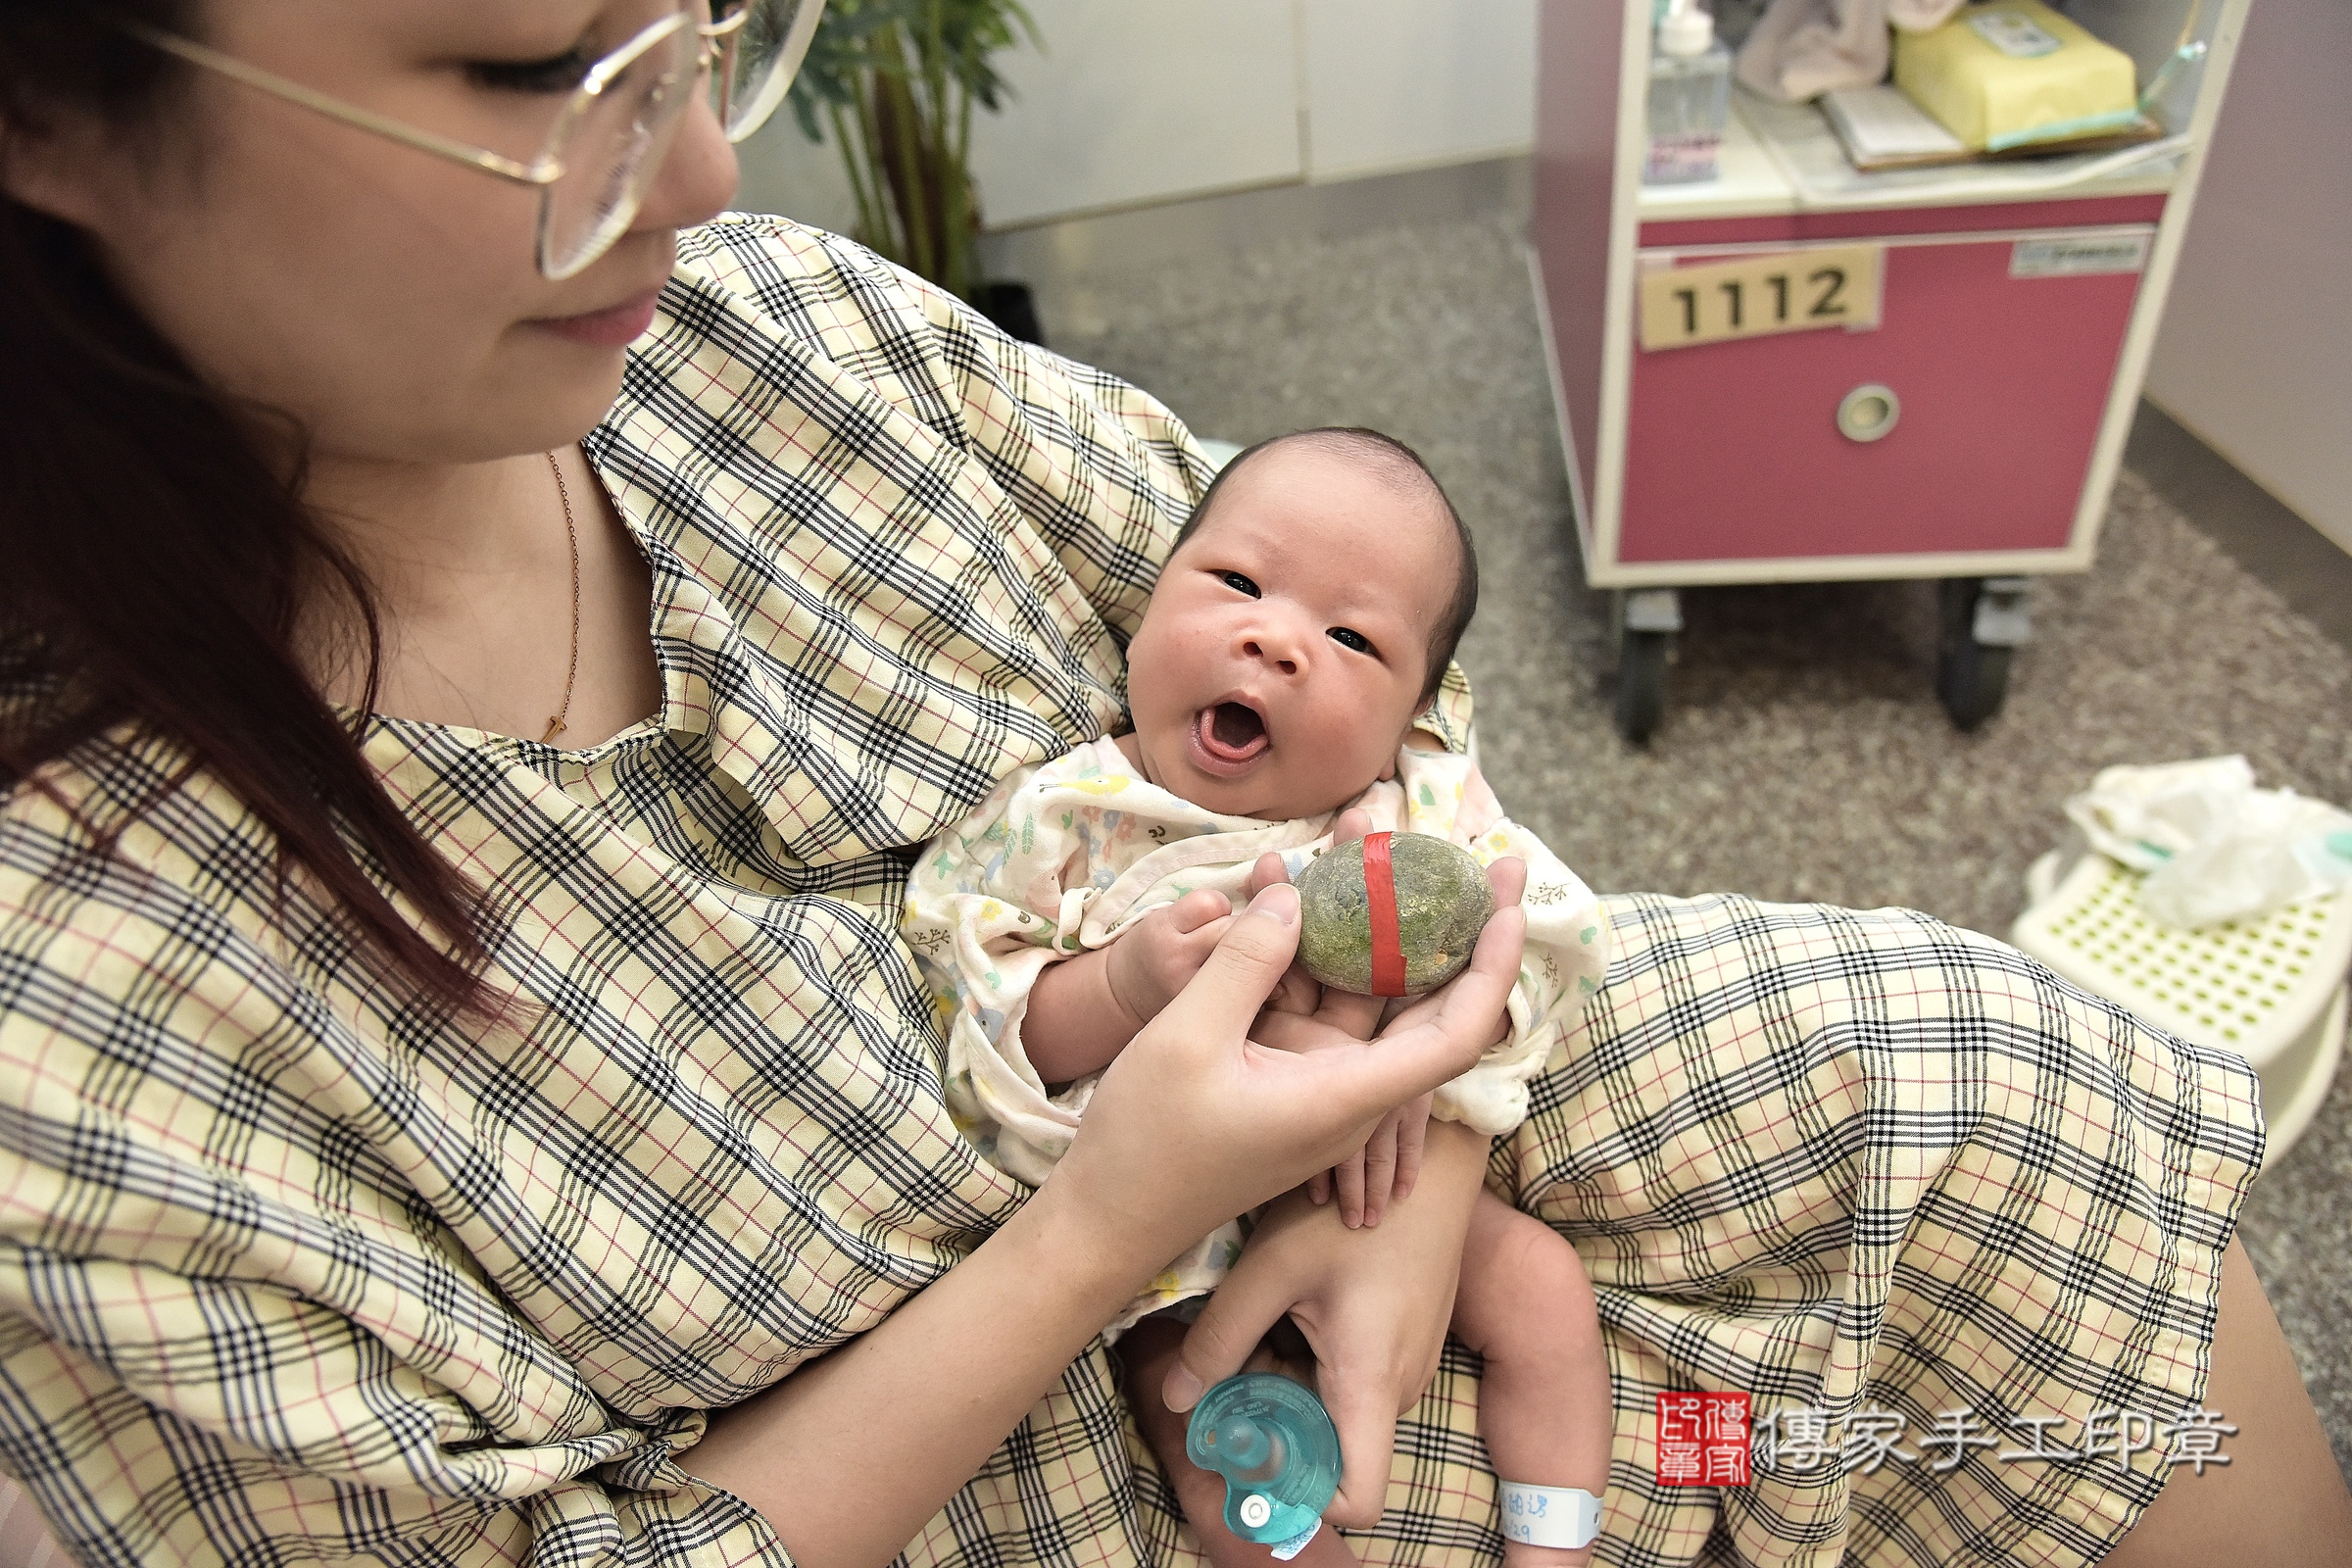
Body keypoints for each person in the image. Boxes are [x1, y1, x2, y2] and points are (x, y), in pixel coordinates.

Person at [0, 4, 2344, 1568]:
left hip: (1396, 1149)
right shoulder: (80, 989)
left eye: (709, 26)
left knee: (2008, 1099)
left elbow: (1365, 658)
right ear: (52, 103)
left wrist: (1423, 1161)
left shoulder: (794, 345)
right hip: (1040, 1461)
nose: (703, 166)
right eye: (541, 64)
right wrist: (1111, 1218)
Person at [903, 426, 1613, 1566]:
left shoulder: (1417, 806)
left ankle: (1555, 1542)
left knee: (1540, 1286)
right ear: (1146, 611)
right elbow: (991, 1019)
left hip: (1369, 1186)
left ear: (1415, 716)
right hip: (1169, 1232)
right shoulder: (1064, 813)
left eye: (1351, 638)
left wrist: (1425, 1054)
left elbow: (1553, 941)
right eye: (1237, 582)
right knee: (1208, 1427)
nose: (1276, 638)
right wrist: (1122, 984)